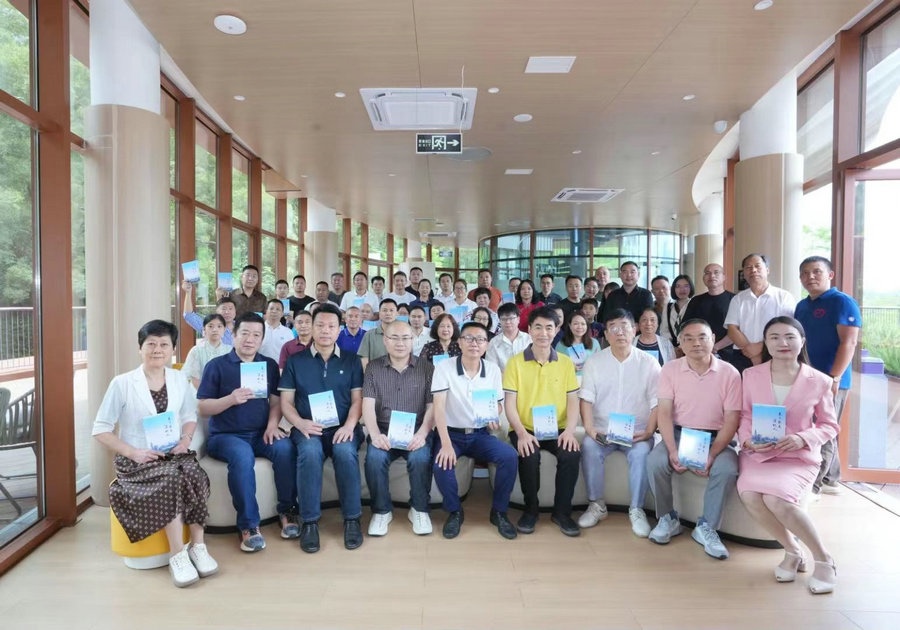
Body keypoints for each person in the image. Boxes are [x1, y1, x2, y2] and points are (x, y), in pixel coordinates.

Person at [93, 320, 216, 588]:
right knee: (171, 478)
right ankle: (177, 555)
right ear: (140, 348)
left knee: (196, 473)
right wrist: (133, 452)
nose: (157, 349)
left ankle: (198, 546)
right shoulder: (122, 383)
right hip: (137, 459)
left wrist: (185, 440)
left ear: (172, 349)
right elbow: (100, 429)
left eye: (164, 344)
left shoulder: (179, 379)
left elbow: (189, 416)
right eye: (151, 344)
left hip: (174, 452)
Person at [738, 316, 840, 594]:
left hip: (797, 457)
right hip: (759, 455)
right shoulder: (751, 375)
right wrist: (747, 440)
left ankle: (823, 559)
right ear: (766, 343)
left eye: (790, 336)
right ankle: (793, 550)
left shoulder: (819, 381)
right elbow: (745, 415)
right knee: (750, 494)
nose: (782, 342)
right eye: (774, 337)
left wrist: (802, 438)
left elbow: (829, 425)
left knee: (777, 499)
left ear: (802, 341)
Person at [197, 312, 299, 552]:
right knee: (242, 456)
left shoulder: (269, 365)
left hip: (261, 433)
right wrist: (230, 399)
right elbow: (202, 407)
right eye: (244, 333)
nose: (250, 339)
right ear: (233, 335)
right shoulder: (217, 366)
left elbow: (276, 402)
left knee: (285, 448)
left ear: (262, 339)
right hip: (226, 436)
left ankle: (288, 511)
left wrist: (272, 425)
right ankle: (249, 525)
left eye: (256, 335)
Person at [646, 319, 741, 559]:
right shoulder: (670, 369)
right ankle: (667, 518)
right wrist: (671, 450)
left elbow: (732, 420)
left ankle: (707, 527)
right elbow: (664, 413)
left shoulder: (729, 373)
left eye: (702, 337)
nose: (696, 343)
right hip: (680, 434)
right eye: (688, 338)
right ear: (679, 343)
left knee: (727, 468)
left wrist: (712, 454)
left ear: (713, 339)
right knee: (655, 461)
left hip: (716, 439)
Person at [280, 304, 365, 553]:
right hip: (307, 426)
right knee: (309, 452)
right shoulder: (295, 361)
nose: (325, 330)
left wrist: (349, 426)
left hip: (343, 427)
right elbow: (286, 402)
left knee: (345, 452)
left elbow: (357, 400)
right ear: (311, 327)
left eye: (331, 326)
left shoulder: (352, 360)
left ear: (339, 330)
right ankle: (309, 522)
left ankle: (352, 519)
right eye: (320, 325)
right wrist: (300, 423)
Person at [432, 321, 519, 540]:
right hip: (451, 433)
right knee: (441, 464)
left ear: (487, 345)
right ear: (459, 342)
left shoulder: (492, 370)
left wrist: (492, 414)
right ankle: (454, 511)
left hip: (480, 434)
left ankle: (499, 512)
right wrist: (445, 444)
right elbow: (438, 408)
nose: (474, 343)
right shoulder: (444, 368)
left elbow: (498, 404)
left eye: (480, 339)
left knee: (509, 456)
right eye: (469, 338)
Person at [578, 309, 660, 538]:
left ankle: (636, 509)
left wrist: (649, 431)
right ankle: (597, 505)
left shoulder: (649, 363)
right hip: (603, 431)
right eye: (613, 327)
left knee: (641, 454)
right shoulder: (594, 362)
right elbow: (586, 399)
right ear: (606, 334)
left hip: (638, 433)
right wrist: (590, 429)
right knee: (589, 447)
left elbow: (657, 402)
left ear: (634, 330)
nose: (619, 332)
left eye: (625, 326)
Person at [503, 306, 581, 537]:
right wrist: (521, 433)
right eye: (538, 327)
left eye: (549, 328)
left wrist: (569, 431)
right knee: (529, 455)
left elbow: (573, 401)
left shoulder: (565, 363)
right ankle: (531, 510)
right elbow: (509, 403)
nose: (543, 333)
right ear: (529, 330)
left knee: (571, 454)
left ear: (556, 330)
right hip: (525, 427)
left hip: (558, 429)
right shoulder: (515, 363)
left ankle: (562, 512)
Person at [794, 256, 861, 496]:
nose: (810, 277)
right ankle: (831, 479)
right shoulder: (802, 306)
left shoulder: (842, 302)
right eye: (805, 273)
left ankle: (814, 485)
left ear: (830, 275)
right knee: (814, 426)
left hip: (832, 380)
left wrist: (834, 377)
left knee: (823, 429)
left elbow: (849, 342)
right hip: (807, 378)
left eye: (816, 271)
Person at [362, 320, 436, 537]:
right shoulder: (373, 368)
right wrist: (375, 435)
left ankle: (419, 509)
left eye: (405, 338)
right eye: (394, 337)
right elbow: (367, 405)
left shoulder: (427, 368)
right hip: (384, 429)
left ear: (413, 341)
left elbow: (432, 406)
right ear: (385, 340)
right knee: (374, 458)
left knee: (420, 458)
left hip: (416, 429)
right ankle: (382, 511)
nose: (400, 343)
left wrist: (422, 434)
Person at [725, 253, 797, 372]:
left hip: (774, 353)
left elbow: (787, 328)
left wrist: (760, 348)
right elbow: (732, 330)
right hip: (742, 355)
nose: (753, 270)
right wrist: (751, 352)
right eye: (748, 267)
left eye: (758, 266)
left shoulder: (784, 297)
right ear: (744, 273)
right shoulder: (738, 299)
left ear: (767, 270)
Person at [682, 263, 735, 360]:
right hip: (699, 352)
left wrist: (715, 347)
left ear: (724, 277)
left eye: (716, 272)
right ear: (703, 278)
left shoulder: (735, 300)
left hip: (729, 354)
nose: (712, 276)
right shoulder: (696, 301)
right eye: (707, 273)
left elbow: (738, 330)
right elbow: (686, 326)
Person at [181, 313, 232, 389]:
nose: (215, 330)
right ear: (204, 329)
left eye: (219, 326)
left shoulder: (230, 350)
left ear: (224, 329)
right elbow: (194, 378)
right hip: (200, 392)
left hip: (225, 392)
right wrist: (206, 394)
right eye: (210, 326)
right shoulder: (196, 350)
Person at [182, 281, 236, 345]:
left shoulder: (242, 326)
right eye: (224, 309)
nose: (227, 312)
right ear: (217, 311)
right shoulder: (210, 326)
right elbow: (189, 316)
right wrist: (188, 293)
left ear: (235, 311)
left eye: (230, 308)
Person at [486, 302, 532, 373]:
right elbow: (492, 369)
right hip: (503, 379)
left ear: (518, 319)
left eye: (511, 318)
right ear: (499, 321)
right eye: (504, 319)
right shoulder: (494, 343)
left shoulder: (529, 339)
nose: (507, 322)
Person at [555, 311, 598, 382]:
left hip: (590, 381)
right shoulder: (561, 345)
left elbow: (599, 364)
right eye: (576, 324)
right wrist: (569, 368)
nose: (579, 327)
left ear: (587, 326)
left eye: (583, 324)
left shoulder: (594, 343)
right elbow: (556, 366)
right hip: (569, 381)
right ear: (570, 325)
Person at [358, 298, 398, 369]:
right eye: (384, 310)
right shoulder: (369, 335)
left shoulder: (404, 335)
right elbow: (364, 360)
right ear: (379, 313)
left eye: (391, 310)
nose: (388, 313)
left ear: (397, 314)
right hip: (375, 374)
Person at [668, 274, 695, 343]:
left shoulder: (695, 305)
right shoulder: (668, 307)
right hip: (671, 346)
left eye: (686, 286)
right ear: (673, 289)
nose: (682, 289)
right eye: (678, 286)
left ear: (691, 287)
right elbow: (664, 330)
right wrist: (670, 346)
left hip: (690, 343)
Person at [651, 275, 675, 343]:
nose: (661, 291)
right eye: (657, 289)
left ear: (670, 288)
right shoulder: (649, 310)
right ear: (652, 291)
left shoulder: (678, 308)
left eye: (664, 287)